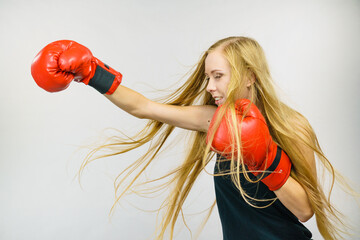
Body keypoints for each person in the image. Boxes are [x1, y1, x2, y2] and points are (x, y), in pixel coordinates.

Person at [31, 37, 352, 240]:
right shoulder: (215, 120)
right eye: (207, 77)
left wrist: (266, 159)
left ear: (250, 76)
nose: (210, 86)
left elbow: (306, 211)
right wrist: (91, 73)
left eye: (218, 76)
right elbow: (144, 108)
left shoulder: (292, 126)